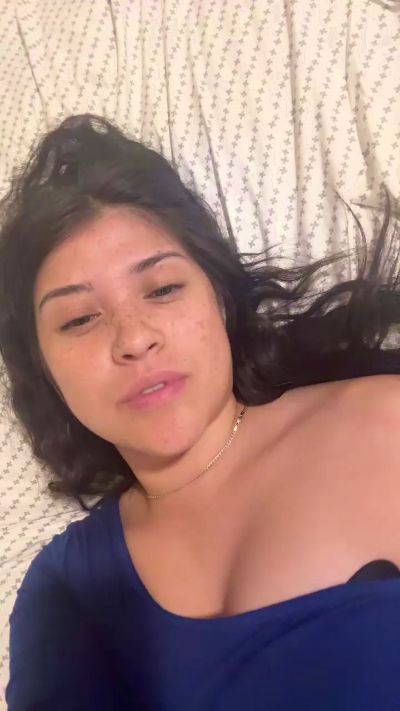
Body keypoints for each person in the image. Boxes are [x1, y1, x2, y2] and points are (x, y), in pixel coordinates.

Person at [1, 113, 400, 710]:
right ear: (45, 372)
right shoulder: (68, 588)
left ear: (219, 297)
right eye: (79, 319)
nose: (134, 338)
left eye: (162, 289)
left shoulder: (382, 422)